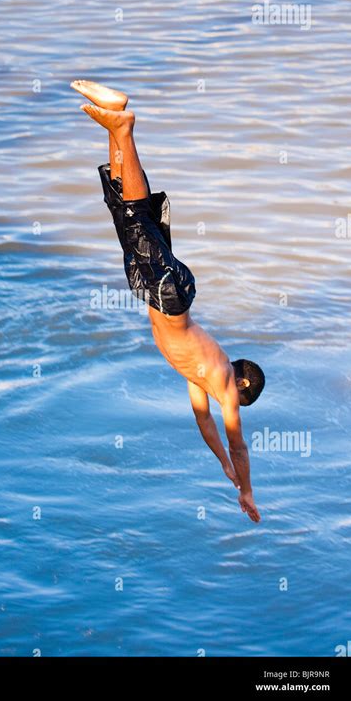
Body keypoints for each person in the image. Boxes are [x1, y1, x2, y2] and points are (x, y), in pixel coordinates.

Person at [71, 80, 265, 523]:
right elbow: (235, 439)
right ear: (242, 387)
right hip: (169, 295)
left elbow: (205, 426)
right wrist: (247, 488)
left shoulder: (201, 378)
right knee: (136, 216)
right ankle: (125, 126)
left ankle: (117, 123)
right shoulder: (220, 382)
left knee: (124, 209)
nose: (230, 408)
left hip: (166, 290)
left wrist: (223, 469)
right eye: (238, 402)